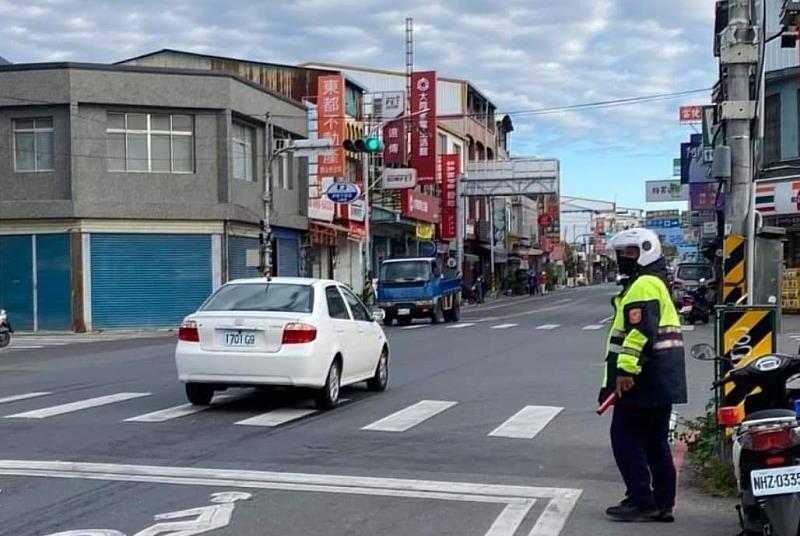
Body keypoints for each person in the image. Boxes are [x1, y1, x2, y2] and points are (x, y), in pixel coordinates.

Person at [600, 228, 687, 523]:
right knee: (655, 442)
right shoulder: (656, 282)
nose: (624, 258)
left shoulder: (644, 285)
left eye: (630, 252)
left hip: (643, 378)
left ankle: (641, 499)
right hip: (660, 377)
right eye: (622, 253)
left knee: (624, 439)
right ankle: (663, 503)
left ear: (646, 251)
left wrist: (625, 370)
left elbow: (638, 332)